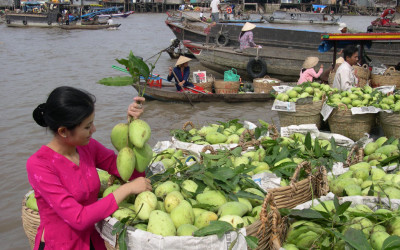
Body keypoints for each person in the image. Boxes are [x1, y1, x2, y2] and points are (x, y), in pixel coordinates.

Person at [27, 86, 151, 250]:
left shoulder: (88, 147)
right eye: (87, 127)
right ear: (63, 131)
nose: (94, 130)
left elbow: (131, 173)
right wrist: (127, 189)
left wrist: (133, 129)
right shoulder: (39, 165)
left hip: (93, 240)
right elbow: (78, 218)